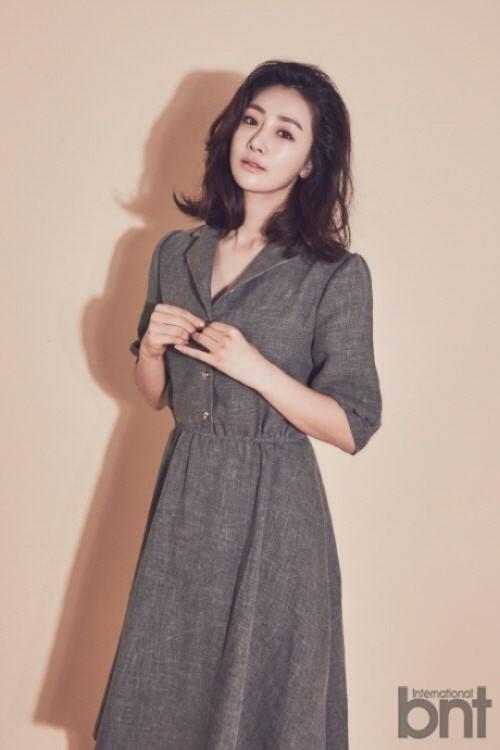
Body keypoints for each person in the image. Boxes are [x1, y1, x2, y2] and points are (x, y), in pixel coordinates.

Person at [93, 59, 382, 749]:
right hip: (186, 496)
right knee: (164, 689)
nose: (257, 140)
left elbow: (353, 425)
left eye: (285, 132)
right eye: (251, 120)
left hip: (275, 510)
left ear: (310, 163)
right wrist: (150, 351)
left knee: (262, 710)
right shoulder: (175, 252)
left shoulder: (334, 274)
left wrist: (255, 369)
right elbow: (157, 397)